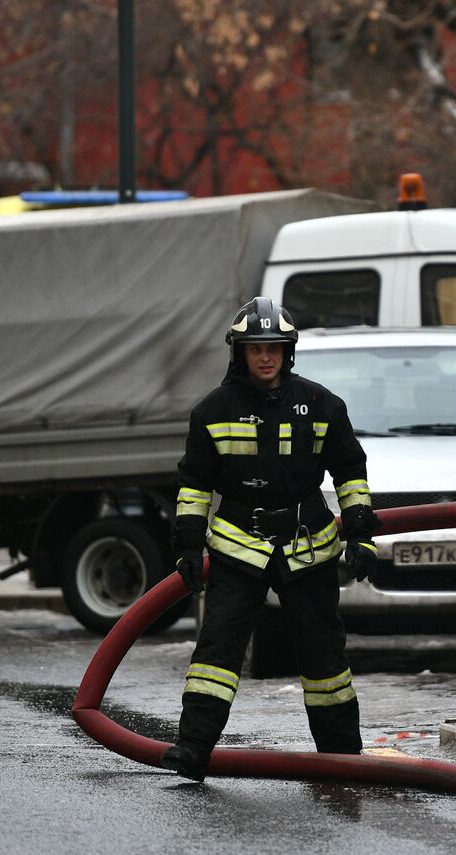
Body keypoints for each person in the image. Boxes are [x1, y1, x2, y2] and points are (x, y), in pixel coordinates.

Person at [160, 297, 380, 781]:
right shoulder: (212, 411)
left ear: (288, 352)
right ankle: (192, 750)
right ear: (239, 353)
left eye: (274, 348)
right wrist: (188, 549)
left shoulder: (322, 405)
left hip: (308, 547)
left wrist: (361, 534)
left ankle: (343, 759)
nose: (265, 357)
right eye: (256, 348)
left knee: (325, 660)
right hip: (239, 546)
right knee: (215, 654)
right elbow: (194, 486)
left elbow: (350, 472)